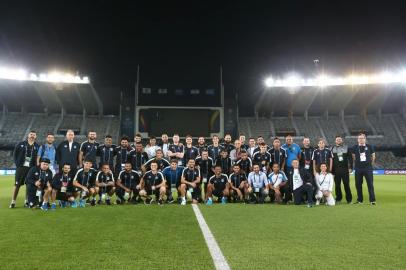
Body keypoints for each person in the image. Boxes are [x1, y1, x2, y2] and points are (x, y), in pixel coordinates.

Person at [10, 130, 39, 208]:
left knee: (29, 185)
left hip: (31, 168)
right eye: (31, 134)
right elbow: (15, 154)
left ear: (36, 137)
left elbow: (38, 157)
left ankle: (26, 201)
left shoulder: (37, 146)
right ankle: (13, 202)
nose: (32, 136)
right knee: (17, 185)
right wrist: (18, 165)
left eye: (34, 135)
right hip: (21, 168)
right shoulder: (21, 144)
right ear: (28, 135)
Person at [352, 133, 376, 205]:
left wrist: (370, 164)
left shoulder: (369, 146)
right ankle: (360, 200)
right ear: (357, 139)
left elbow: (373, 156)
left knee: (370, 184)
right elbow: (353, 156)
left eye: (362, 138)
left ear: (365, 139)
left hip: (368, 168)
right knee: (358, 184)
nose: (361, 139)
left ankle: (372, 200)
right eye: (359, 138)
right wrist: (357, 163)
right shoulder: (355, 147)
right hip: (358, 168)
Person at [330, 135, 353, 204]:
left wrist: (351, 167)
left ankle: (349, 199)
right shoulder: (332, 148)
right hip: (336, 170)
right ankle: (338, 198)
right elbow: (330, 160)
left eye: (340, 139)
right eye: (337, 140)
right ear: (335, 141)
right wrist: (331, 170)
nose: (338, 141)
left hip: (345, 169)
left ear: (342, 140)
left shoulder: (346, 148)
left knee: (346, 184)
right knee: (337, 185)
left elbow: (350, 158)